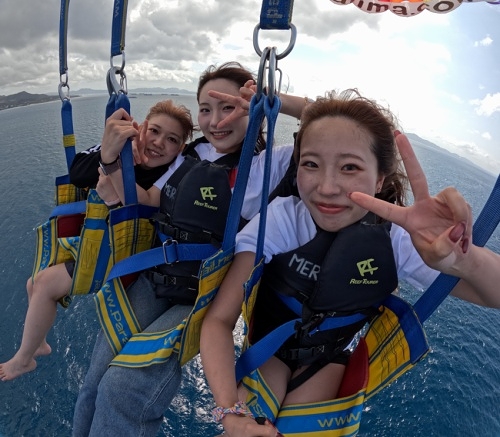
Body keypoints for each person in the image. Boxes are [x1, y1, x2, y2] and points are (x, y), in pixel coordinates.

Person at [199, 89, 500, 437]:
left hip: (326, 362)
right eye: (311, 164)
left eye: (350, 167)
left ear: (379, 179)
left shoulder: (396, 241)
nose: (327, 187)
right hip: (267, 349)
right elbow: (219, 320)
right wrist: (229, 412)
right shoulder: (282, 220)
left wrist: (465, 258)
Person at [71, 61, 297, 437]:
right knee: (93, 384)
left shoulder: (268, 166)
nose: (215, 121)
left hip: (203, 295)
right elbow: (146, 199)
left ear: (253, 110)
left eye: (229, 107)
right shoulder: (191, 155)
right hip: (157, 276)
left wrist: (275, 101)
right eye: (205, 109)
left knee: (124, 390)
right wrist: (109, 161)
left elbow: (337, 132)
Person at [0, 100, 193, 382]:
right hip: (99, 239)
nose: (159, 142)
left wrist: (114, 174)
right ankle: (38, 343)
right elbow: (78, 172)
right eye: (154, 131)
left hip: (125, 250)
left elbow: (147, 204)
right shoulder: (122, 146)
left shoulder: (174, 172)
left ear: (180, 148)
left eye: (172, 139)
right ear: (140, 128)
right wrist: (110, 153)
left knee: (45, 285)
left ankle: (24, 359)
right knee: (33, 283)